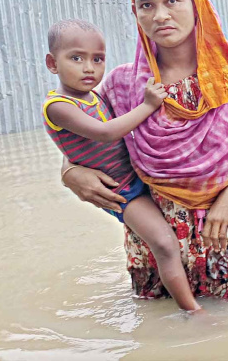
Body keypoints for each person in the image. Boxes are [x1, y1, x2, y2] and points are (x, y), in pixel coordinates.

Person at [60, 0, 228, 301]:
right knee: (160, 326)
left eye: (171, 1)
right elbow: (85, 139)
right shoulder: (123, 86)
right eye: (146, 5)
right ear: (136, 15)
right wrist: (70, 172)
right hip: (155, 248)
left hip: (224, 233)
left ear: (197, 4)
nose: (159, 16)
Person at [43, 19, 201, 312]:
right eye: (76, 58)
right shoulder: (58, 106)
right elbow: (106, 132)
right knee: (165, 245)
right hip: (124, 190)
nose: (89, 68)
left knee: (173, 241)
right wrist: (149, 105)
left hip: (140, 176)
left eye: (97, 59)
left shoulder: (95, 96)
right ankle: (192, 311)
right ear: (52, 63)